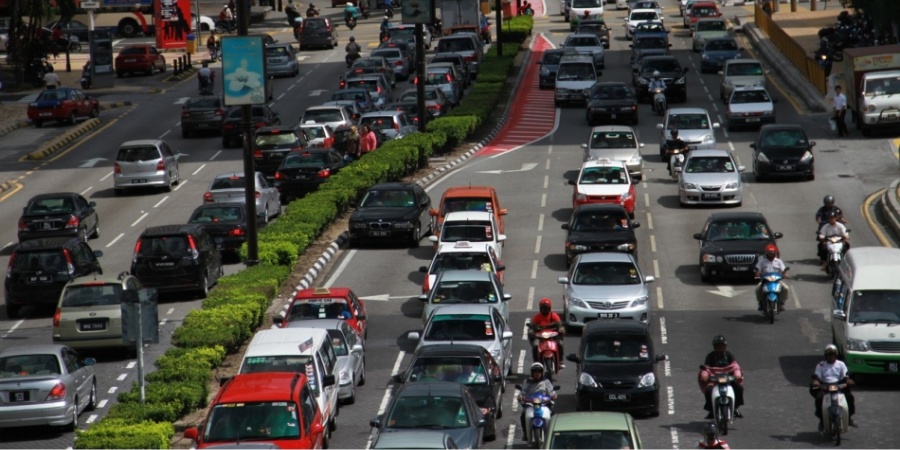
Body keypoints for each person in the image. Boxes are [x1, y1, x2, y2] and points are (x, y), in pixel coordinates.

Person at [811, 344, 856, 431]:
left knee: (849, 397)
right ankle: (822, 420)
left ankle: (849, 418)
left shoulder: (841, 364)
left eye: (833, 354)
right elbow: (816, 377)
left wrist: (848, 380)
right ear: (825, 355)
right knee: (819, 398)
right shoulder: (821, 365)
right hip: (825, 385)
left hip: (839, 385)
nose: (831, 356)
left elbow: (845, 375)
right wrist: (816, 383)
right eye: (829, 354)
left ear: (836, 355)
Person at [700, 335, 744, 419]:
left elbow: (735, 366)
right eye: (718, 347)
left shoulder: (729, 355)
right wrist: (705, 375)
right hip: (714, 379)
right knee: (708, 390)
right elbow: (707, 369)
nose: (720, 349)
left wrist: (737, 374)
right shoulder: (710, 356)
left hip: (728, 378)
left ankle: (735, 408)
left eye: (722, 346)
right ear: (715, 347)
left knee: (739, 388)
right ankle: (711, 410)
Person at [518, 363, 557, 442]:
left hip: (544, 404)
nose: (537, 373)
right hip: (530, 404)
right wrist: (520, 396)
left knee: (553, 415)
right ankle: (526, 433)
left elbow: (552, 392)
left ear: (542, 372)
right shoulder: (527, 382)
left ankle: (553, 434)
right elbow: (522, 392)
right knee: (523, 414)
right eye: (535, 371)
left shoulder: (546, 382)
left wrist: (553, 396)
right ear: (532, 372)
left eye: (539, 371)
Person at [528, 298, 565, 368]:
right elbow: (531, 327)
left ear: (549, 308)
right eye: (543, 308)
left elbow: (560, 324)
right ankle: (536, 362)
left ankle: (560, 360)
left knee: (560, 343)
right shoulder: (536, 317)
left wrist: (561, 330)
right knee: (535, 345)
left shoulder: (554, 315)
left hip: (553, 336)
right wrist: (531, 332)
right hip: (540, 337)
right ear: (540, 308)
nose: (545, 310)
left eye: (546, 308)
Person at [754, 243, 789, 312]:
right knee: (757, 289)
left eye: (772, 253)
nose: (771, 254)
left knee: (786, 288)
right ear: (766, 253)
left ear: (775, 253)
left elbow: (783, 270)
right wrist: (757, 273)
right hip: (765, 281)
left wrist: (785, 274)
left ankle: (782, 303)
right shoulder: (762, 261)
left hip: (777, 280)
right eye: (769, 253)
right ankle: (760, 303)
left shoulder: (778, 261)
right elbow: (757, 269)